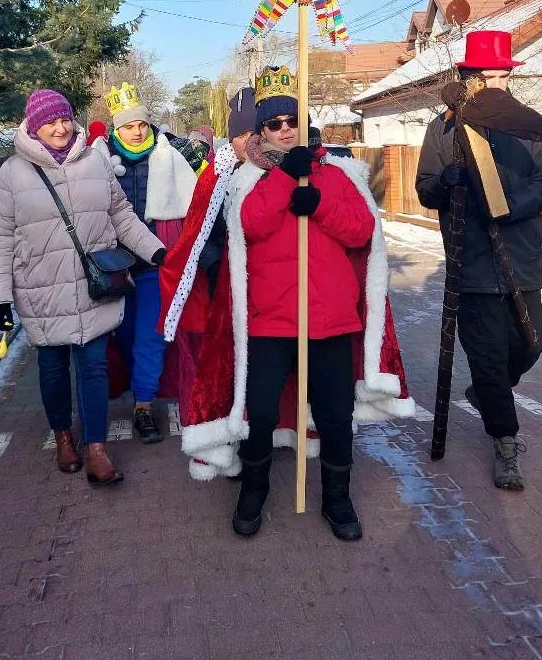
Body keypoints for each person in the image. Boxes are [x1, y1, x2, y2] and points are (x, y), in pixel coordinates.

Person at [164, 68, 414, 541]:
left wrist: (316, 201)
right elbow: (250, 225)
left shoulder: (340, 175)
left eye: (291, 119)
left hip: (330, 321)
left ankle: (338, 499)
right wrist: (285, 181)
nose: (284, 128)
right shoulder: (247, 179)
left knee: (335, 416)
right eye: (273, 123)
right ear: (261, 132)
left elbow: (361, 230)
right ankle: (252, 491)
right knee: (260, 412)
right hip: (271, 324)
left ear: (305, 122)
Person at [0, 89, 165, 484]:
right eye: (50, 122)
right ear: (34, 126)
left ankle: (97, 448)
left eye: (65, 119)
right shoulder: (14, 172)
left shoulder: (95, 161)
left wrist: (156, 252)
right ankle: (64, 437)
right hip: (41, 291)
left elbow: (122, 215)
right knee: (52, 369)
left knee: (94, 368)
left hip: (92, 286)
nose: (61, 128)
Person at [415, 30, 542, 491]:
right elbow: (425, 188)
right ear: (469, 77)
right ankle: (504, 441)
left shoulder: (529, 127)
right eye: (485, 75)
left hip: (520, 258)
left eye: (501, 74)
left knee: (530, 344)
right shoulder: (442, 129)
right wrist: (448, 183)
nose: (494, 82)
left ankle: (486, 394)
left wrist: (509, 205)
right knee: (489, 358)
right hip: (471, 262)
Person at [91, 82, 198, 443]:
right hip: (112, 264)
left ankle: (143, 404)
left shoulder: (170, 155)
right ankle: (131, 386)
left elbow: (194, 202)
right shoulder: (97, 160)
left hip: (155, 260)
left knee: (151, 335)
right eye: (127, 126)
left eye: (141, 124)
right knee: (123, 336)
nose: (137, 132)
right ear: (116, 129)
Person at [158, 87, 257, 421]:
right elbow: (200, 233)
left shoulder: (281, 171)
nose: (250, 141)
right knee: (227, 360)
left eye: (256, 132)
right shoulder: (216, 176)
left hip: (268, 287)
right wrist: (217, 270)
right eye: (242, 134)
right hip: (224, 285)